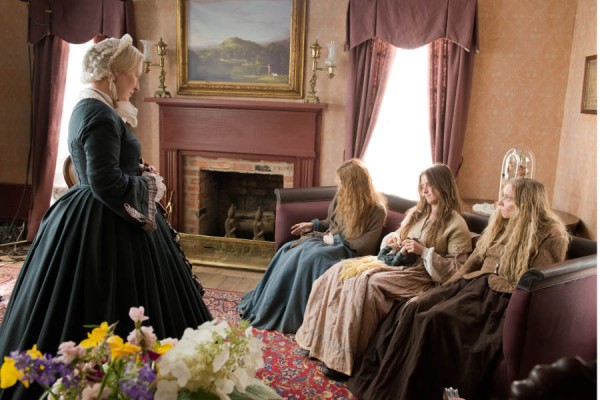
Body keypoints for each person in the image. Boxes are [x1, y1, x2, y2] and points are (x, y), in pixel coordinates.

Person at [0, 34, 212, 400]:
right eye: (134, 75)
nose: (137, 85)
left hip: (91, 212)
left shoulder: (93, 106)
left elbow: (107, 167)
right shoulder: (98, 114)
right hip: (104, 221)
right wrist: (147, 184)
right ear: (113, 73)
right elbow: (104, 182)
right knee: (109, 298)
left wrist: (137, 170)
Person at [347, 177, 570, 400]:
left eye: (508, 198)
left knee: (432, 319)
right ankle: (383, 389)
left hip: (500, 300)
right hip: (472, 285)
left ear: (527, 203)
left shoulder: (551, 235)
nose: (500, 202)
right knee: (412, 306)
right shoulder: (501, 223)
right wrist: (446, 287)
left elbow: (536, 285)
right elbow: (474, 260)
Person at [296, 163, 473, 381]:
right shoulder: (417, 213)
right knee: (338, 271)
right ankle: (317, 342)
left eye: (430, 185)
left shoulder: (456, 223)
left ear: (443, 185)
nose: (425, 190)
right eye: (422, 185)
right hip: (396, 261)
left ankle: (344, 360)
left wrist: (424, 251)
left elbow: (457, 269)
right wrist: (393, 239)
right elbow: (398, 236)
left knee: (365, 284)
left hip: (420, 273)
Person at [238, 158, 387, 333]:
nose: (340, 188)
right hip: (328, 242)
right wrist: (312, 225)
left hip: (349, 251)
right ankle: (271, 304)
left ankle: (295, 316)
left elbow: (366, 244)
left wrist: (335, 241)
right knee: (288, 249)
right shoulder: (341, 197)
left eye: (343, 184)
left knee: (311, 257)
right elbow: (329, 223)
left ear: (355, 185)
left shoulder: (377, 210)